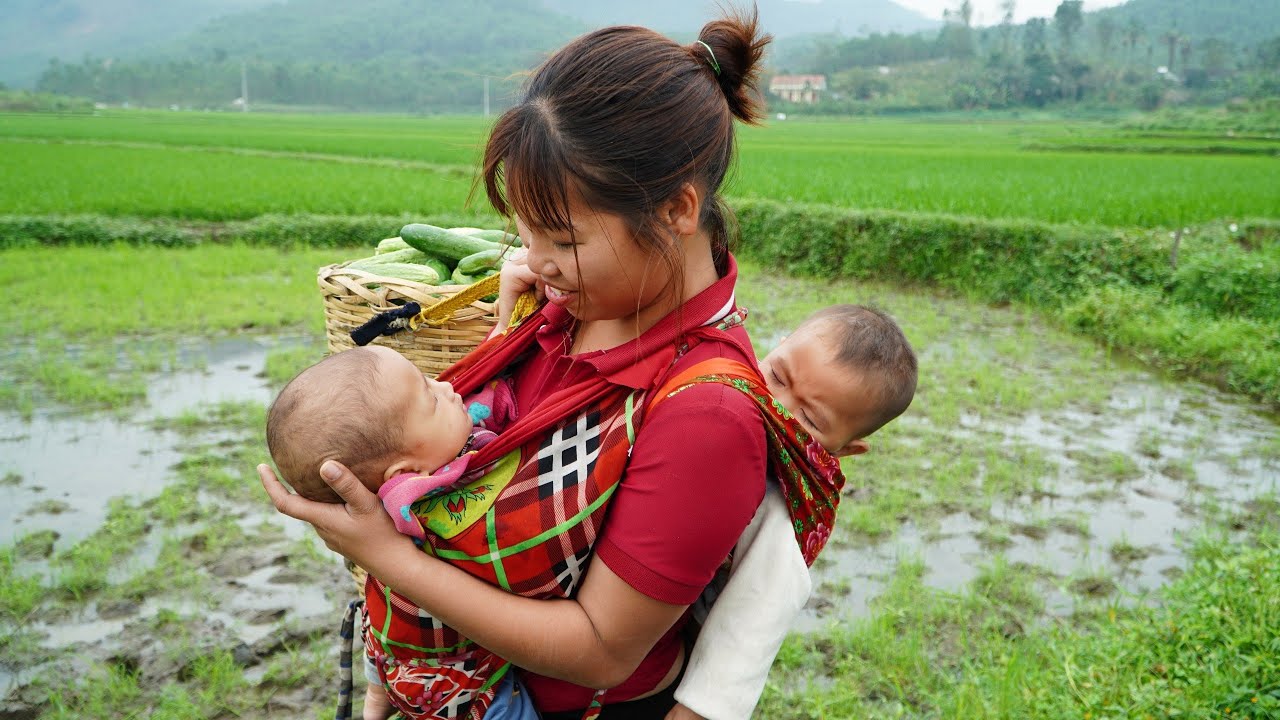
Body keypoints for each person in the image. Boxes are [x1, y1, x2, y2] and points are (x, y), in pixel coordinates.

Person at [257, 9, 835, 719]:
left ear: (678, 210)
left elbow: (601, 648)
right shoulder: (566, 309)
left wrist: (390, 558)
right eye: (524, 233)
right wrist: (532, 312)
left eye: (560, 236)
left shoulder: (705, 416)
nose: (533, 259)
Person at [667, 304, 917, 720]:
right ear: (774, 348)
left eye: (810, 419)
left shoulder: (779, 508)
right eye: (778, 376)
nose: (776, 404)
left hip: (669, 658)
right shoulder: (714, 387)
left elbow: (749, 630)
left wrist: (691, 713)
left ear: (845, 449)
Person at [264, 345, 529, 719]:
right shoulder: (422, 501)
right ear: (406, 477)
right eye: (432, 400)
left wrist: (506, 333)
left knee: (382, 624)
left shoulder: (394, 497)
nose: (446, 387)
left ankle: (376, 698)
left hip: (394, 646)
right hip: (465, 685)